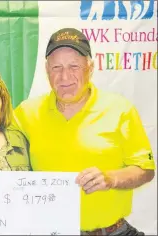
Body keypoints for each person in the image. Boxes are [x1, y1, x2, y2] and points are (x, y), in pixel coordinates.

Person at [11, 28, 155, 235]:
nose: (64, 76)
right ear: (46, 70)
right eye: (56, 67)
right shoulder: (26, 113)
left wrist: (110, 178)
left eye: (74, 66)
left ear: (90, 67)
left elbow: (145, 169)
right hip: (50, 230)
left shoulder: (120, 109)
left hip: (111, 231)